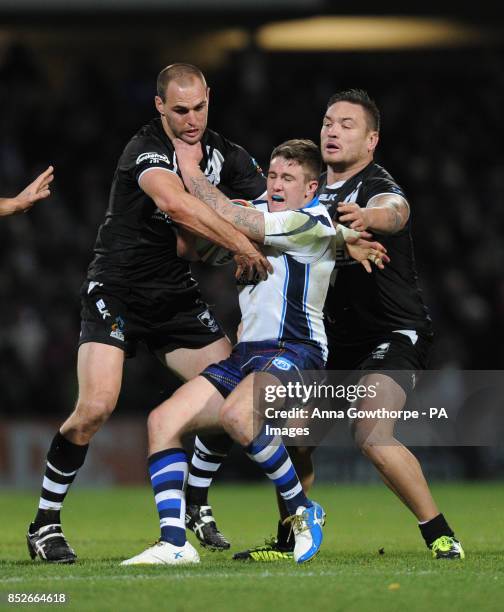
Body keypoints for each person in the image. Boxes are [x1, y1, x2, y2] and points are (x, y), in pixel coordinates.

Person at [190, 90, 464, 562]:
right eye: (328, 121)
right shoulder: (308, 187)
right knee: (293, 435)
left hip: (388, 335)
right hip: (325, 339)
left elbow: (396, 211)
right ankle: (290, 538)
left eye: (347, 125)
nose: (333, 130)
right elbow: (268, 231)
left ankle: (440, 535)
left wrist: (370, 217)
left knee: (370, 433)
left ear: (372, 139)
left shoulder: (375, 184)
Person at [26, 63, 272, 564]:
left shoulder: (228, 155)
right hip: (117, 289)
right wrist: (238, 245)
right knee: (95, 408)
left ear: (209, 98)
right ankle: (45, 523)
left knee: (234, 394)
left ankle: (196, 502)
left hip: (174, 296)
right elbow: (177, 206)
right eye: (179, 109)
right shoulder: (145, 149)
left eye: (199, 107)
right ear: (159, 106)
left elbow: (274, 208)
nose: (191, 119)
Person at [120, 138, 388, 565]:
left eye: (289, 179)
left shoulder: (309, 217)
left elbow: (230, 215)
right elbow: (197, 246)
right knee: (162, 421)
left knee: (238, 417)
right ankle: (174, 543)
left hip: (296, 351)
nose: (278, 185)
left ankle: (304, 510)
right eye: (275, 176)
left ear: (312, 190)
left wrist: (189, 171)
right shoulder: (261, 213)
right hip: (246, 354)